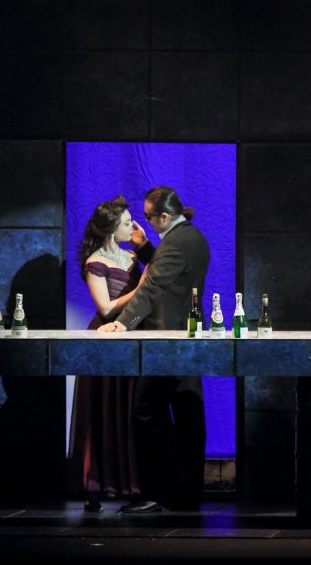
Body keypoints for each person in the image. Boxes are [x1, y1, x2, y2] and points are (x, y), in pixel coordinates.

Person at [103, 187, 210, 515]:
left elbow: (154, 285)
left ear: (164, 215)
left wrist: (124, 323)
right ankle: (186, 495)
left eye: (149, 217)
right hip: (187, 336)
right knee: (187, 412)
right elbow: (173, 274)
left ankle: (157, 493)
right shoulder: (192, 237)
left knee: (146, 410)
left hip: (169, 341)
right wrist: (145, 248)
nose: (146, 222)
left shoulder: (176, 242)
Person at [69, 195, 145, 511]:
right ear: (113, 227)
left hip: (129, 336)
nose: (133, 227)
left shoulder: (131, 256)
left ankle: (132, 484)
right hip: (105, 339)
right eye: (127, 223)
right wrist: (141, 288)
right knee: (103, 408)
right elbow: (105, 307)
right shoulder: (95, 262)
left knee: (127, 407)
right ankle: (96, 486)